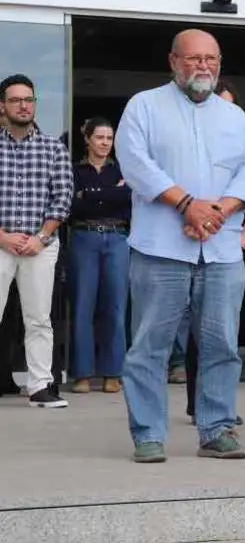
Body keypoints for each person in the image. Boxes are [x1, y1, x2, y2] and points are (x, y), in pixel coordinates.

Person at [117, 29, 245, 462]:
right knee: (150, 347)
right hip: (161, 250)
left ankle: (217, 429)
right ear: (173, 61)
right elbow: (135, 163)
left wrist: (215, 212)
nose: (203, 66)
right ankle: (148, 434)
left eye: (211, 59)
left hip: (221, 251)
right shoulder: (143, 106)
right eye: (193, 58)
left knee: (222, 345)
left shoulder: (236, 118)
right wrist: (186, 205)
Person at [181, 79, 245, 424]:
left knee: (224, 334)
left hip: (232, 242)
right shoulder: (191, 142)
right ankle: (198, 404)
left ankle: (220, 407)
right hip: (188, 237)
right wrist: (204, 218)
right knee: (197, 332)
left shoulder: (241, 134)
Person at [0, 74, 73, 409]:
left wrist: (40, 239)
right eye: (15, 100)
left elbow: (63, 199)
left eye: (28, 99)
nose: (23, 105)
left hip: (40, 246)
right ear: (3, 106)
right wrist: (3, 237)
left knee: (39, 319)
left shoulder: (53, 147)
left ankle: (40, 385)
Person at [68, 117, 131, 395]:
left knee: (115, 307)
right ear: (88, 139)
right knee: (83, 306)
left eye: (109, 138)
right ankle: (82, 374)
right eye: (100, 137)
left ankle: (113, 373)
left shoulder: (123, 169)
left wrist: (91, 195)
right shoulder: (74, 171)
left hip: (117, 238)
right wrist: (109, 195)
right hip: (84, 237)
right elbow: (72, 206)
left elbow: (128, 201)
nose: (105, 143)